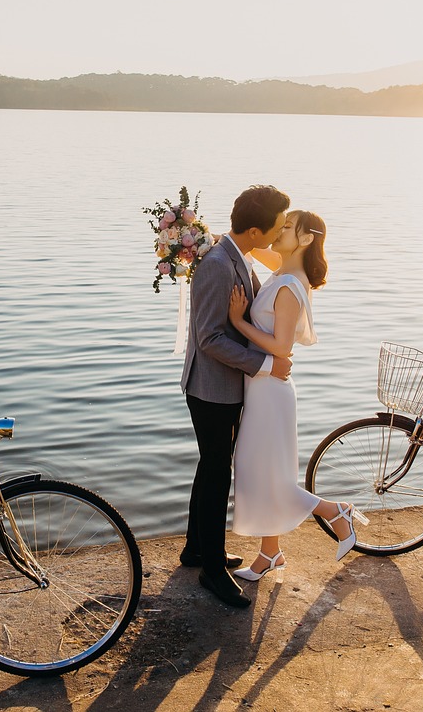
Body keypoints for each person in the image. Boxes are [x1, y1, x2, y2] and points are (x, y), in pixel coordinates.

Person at [228, 209, 366, 582]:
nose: (278, 230)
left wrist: (239, 322)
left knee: (269, 476)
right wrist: (211, 237)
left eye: (287, 227)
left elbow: (282, 348)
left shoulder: (289, 286)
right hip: (262, 388)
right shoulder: (285, 269)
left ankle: (335, 511)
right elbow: (254, 248)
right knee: (261, 471)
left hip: (271, 391)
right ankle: (270, 554)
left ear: (305, 239)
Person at [180, 184, 292, 609]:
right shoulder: (217, 265)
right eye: (277, 225)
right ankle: (212, 569)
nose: (280, 231)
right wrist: (265, 365)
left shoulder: (238, 254)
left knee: (211, 468)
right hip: (211, 388)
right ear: (254, 229)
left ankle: (196, 548)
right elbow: (208, 337)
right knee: (216, 473)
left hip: (226, 385)